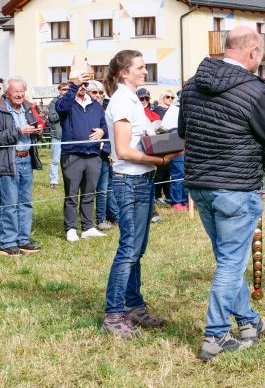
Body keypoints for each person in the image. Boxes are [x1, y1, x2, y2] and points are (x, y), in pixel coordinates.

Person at [179, 26, 265, 361]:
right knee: (232, 264)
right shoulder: (252, 90)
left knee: (227, 260)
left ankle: (248, 321)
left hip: (200, 185)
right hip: (235, 186)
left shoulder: (192, 85)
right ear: (251, 52)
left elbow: (182, 131)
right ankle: (216, 335)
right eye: (261, 54)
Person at [101, 50, 181, 338]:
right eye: (140, 68)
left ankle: (133, 306)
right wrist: (159, 161)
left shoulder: (132, 100)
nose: (145, 72)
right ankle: (113, 314)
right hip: (129, 181)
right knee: (128, 250)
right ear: (124, 72)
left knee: (137, 249)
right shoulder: (122, 100)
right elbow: (123, 151)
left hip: (142, 181)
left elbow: (145, 138)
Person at [55, 72, 109, 242]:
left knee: (89, 192)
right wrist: (73, 85)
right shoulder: (67, 103)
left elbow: (104, 125)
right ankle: (71, 228)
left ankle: (88, 227)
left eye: (85, 85)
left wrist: (102, 131)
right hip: (72, 154)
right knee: (71, 193)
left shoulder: (96, 105)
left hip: (93, 154)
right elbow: (61, 108)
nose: (82, 88)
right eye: (79, 85)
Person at [0, 77, 43, 256]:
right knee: (9, 204)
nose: (19, 94)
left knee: (26, 203)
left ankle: (23, 240)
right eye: (15, 91)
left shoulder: (27, 107)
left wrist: (38, 131)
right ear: (7, 92)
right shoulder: (1, 110)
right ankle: (7, 242)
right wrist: (19, 131)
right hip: (8, 161)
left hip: (26, 159)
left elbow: (35, 126)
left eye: (22, 91)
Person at [89, 80, 118, 231]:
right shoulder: (87, 109)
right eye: (94, 92)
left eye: (100, 92)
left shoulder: (106, 107)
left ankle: (110, 215)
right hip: (90, 153)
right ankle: (100, 218)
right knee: (98, 188)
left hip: (106, 152)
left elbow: (110, 129)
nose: (98, 95)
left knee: (107, 187)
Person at [160, 97, 188, 211]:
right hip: (176, 146)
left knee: (185, 174)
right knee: (178, 173)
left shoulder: (182, 107)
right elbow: (168, 129)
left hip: (185, 146)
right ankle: (176, 201)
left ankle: (186, 200)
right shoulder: (175, 109)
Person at [46, 83, 68, 189]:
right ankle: (54, 181)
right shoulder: (53, 103)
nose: (66, 91)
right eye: (64, 89)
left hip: (70, 136)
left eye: (68, 89)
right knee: (55, 160)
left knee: (70, 160)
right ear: (59, 90)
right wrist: (62, 111)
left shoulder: (73, 101)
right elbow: (52, 118)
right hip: (58, 135)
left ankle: (70, 179)